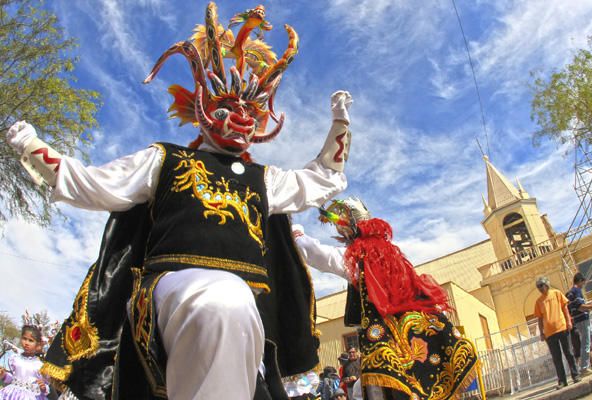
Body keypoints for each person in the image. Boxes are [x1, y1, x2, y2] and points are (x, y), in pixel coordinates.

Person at [5, 3, 353, 399]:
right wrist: (32, 147)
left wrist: (340, 123)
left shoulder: (265, 180)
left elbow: (323, 178)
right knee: (221, 299)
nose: (240, 117)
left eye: (249, 112)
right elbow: (90, 185)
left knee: (234, 309)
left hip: (247, 311)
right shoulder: (165, 159)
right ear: (204, 107)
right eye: (228, 107)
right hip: (168, 293)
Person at [294, 197, 479, 399]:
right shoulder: (395, 256)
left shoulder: (356, 257)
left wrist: (294, 231)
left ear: (350, 228)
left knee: (385, 386)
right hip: (417, 335)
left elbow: (316, 254)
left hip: (387, 339)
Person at [534, 276, 581, 389]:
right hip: (549, 333)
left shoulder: (556, 293)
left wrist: (569, 321)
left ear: (546, 284)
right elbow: (539, 318)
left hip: (562, 328)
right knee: (556, 358)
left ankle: (575, 375)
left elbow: (565, 308)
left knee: (568, 353)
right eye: (538, 286)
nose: (540, 288)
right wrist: (541, 332)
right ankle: (562, 381)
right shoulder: (538, 301)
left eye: (541, 285)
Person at [0, 325, 49, 400]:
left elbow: (46, 384)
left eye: (31, 340)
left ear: (37, 344)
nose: (26, 343)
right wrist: (4, 375)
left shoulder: (40, 365)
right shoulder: (14, 359)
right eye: (24, 339)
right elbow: (12, 379)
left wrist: (44, 388)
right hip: (11, 395)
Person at [566, 272, 592, 375]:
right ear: (580, 281)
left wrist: (589, 305)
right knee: (586, 343)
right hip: (582, 319)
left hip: (580, 320)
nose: (583, 285)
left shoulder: (571, 293)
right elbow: (581, 307)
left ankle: (584, 367)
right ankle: (584, 368)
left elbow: (578, 306)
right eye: (583, 283)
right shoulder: (576, 291)